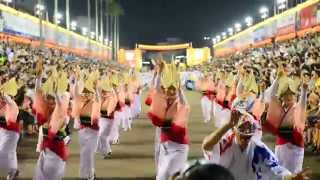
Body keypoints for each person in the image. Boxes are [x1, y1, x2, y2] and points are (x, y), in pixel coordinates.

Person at [202, 110, 312, 180]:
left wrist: (291, 177)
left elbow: (275, 168)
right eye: (242, 134)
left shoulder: (259, 148)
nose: (245, 139)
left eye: (248, 136)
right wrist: (227, 126)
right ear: (235, 131)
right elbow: (206, 145)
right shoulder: (225, 143)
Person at [147, 59, 190, 180]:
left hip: (177, 142)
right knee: (160, 162)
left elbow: (184, 103)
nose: (170, 91)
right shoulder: (162, 100)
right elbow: (156, 87)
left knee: (172, 171)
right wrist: (159, 73)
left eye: (173, 89)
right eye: (168, 89)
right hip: (163, 137)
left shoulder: (180, 102)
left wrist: (180, 89)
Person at [33, 62, 71, 180]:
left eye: (52, 100)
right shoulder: (45, 113)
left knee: (52, 175)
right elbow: (38, 94)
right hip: (45, 151)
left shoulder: (63, 113)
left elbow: (60, 104)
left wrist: (56, 94)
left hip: (56, 152)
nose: (50, 101)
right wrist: (38, 79)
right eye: (48, 99)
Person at [71, 69, 101, 180]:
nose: (87, 94)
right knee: (84, 153)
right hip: (82, 131)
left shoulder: (95, 101)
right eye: (85, 92)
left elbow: (98, 97)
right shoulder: (80, 100)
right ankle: (87, 173)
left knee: (89, 152)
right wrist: (78, 79)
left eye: (89, 92)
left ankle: (90, 174)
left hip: (93, 131)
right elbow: (75, 92)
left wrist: (96, 87)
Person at [0, 78, 20, 180]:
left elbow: (7, 99)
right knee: (11, 153)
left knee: (3, 151)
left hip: (11, 133)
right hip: (2, 131)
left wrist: (4, 94)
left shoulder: (13, 105)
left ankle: (12, 170)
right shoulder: (1, 106)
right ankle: (13, 170)